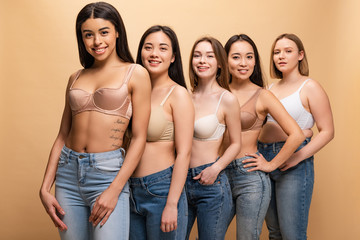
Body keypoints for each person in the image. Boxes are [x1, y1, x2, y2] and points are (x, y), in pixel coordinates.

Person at [39, 2, 151, 240]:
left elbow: (140, 138)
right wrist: (44, 187)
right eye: (88, 35)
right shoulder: (75, 77)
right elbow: (62, 135)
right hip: (68, 175)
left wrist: (115, 189)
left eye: (104, 32)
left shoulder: (135, 73)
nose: (96, 41)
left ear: (117, 31)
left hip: (107, 174)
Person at [222, 34, 305, 240]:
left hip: (249, 176)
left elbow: (296, 134)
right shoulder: (217, 91)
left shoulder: (263, 95)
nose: (243, 63)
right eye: (236, 57)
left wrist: (271, 164)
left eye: (249, 57)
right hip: (219, 173)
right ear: (224, 60)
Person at [258, 33, 335, 240]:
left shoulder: (309, 87)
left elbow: (327, 131)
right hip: (265, 158)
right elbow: (262, 127)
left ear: (300, 55)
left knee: (293, 234)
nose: (281, 56)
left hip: (295, 162)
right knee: (274, 233)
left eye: (288, 51)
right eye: (276, 52)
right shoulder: (269, 89)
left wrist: (297, 156)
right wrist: (304, 132)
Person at [129, 25, 194, 240]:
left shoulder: (178, 94)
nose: (154, 53)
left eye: (163, 48)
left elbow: (184, 153)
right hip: (129, 190)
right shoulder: (132, 89)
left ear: (173, 57)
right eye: (148, 47)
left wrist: (172, 203)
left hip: (162, 189)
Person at [185, 36, 241, 240]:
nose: (202, 60)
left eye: (209, 56)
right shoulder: (184, 96)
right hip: (180, 180)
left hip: (211, 184)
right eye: (197, 55)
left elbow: (236, 144)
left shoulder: (227, 99)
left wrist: (215, 169)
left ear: (219, 63)